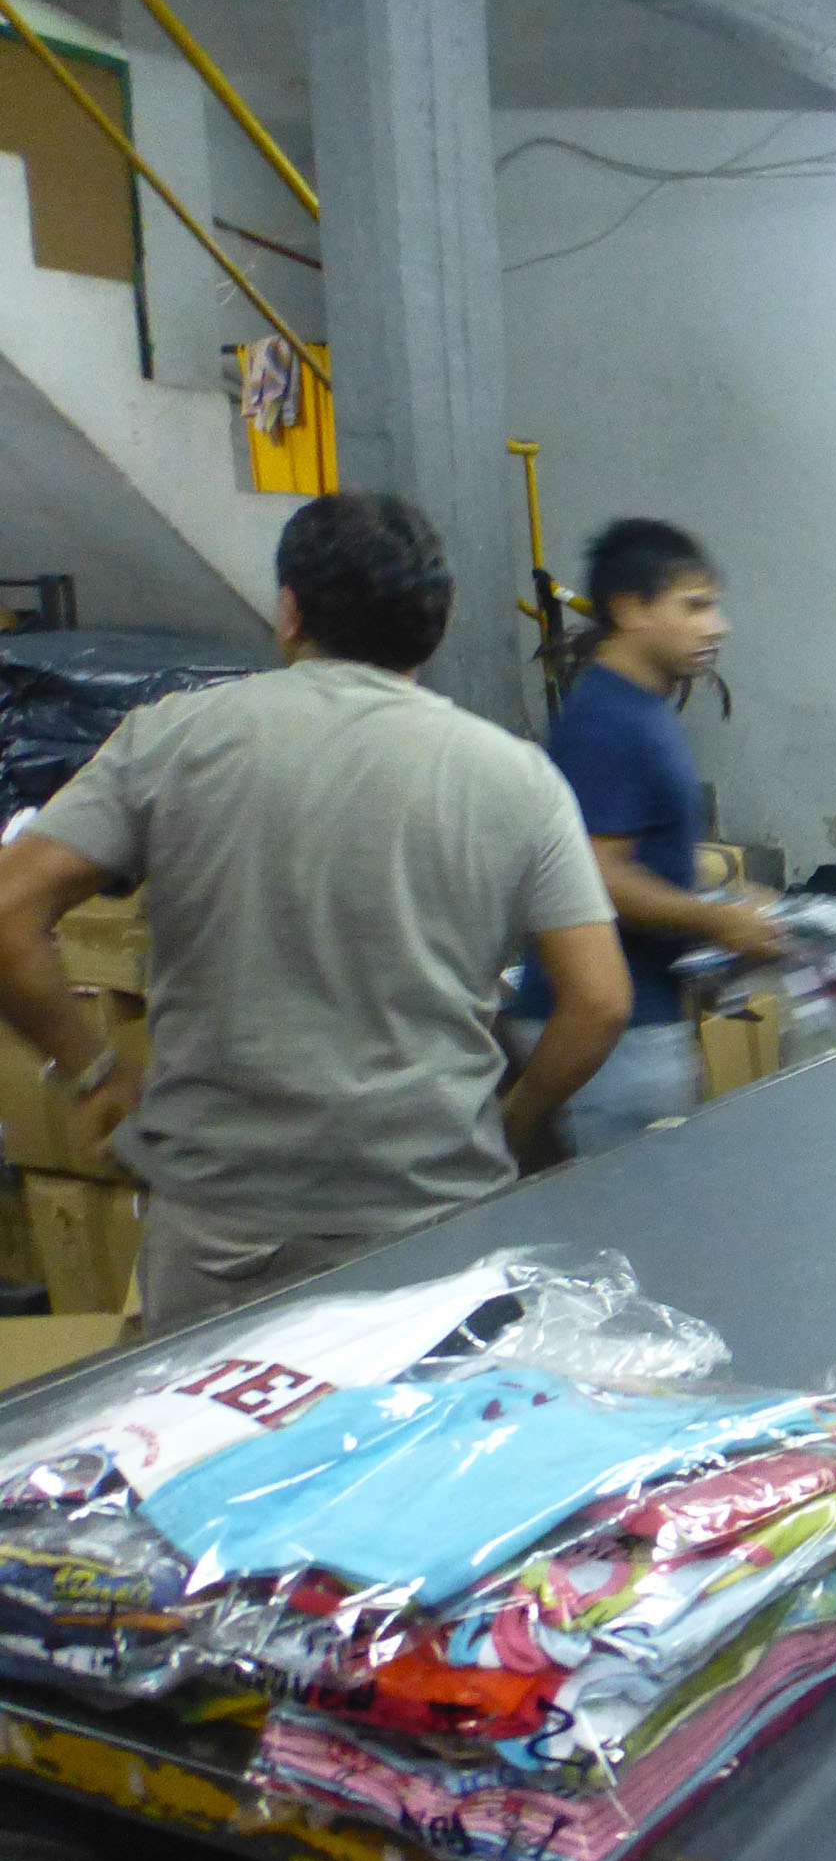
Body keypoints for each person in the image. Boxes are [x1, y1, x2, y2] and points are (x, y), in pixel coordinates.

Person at [0, 493, 632, 1331]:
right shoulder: (518, 777)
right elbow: (599, 1001)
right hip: (430, 1222)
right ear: (437, 626)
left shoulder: (172, 739)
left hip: (223, 1225)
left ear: (290, 612)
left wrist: (95, 1073)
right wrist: (508, 1128)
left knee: (224, 1417)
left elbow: (9, 910)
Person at [507, 519, 781, 1156]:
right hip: (607, 1036)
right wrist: (717, 921)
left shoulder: (638, 708)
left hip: (640, 1022)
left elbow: (637, 853)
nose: (717, 626)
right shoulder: (605, 720)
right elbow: (596, 875)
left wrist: (725, 892)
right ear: (631, 609)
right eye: (695, 606)